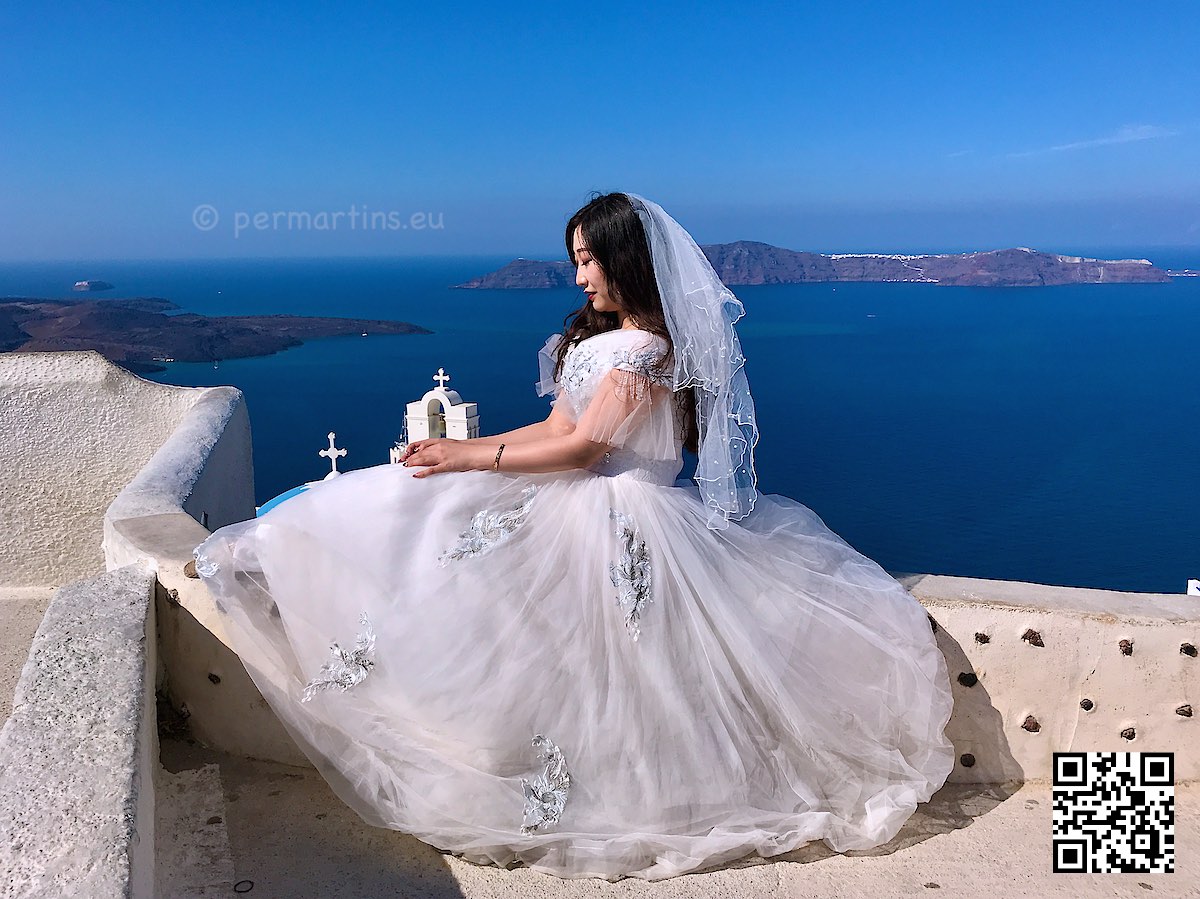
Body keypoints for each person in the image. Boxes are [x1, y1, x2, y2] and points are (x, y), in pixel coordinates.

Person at [192, 191, 956, 882]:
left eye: (589, 259)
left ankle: (620, 793)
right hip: (585, 503)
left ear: (627, 257)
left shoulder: (649, 349)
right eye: (576, 260)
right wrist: (463, 457)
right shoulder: (606, 340)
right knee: (526, 631)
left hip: (625, 516)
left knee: (615, 675)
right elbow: (557, 425)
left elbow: (588, 447)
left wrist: (467, 453)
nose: (580, 275)